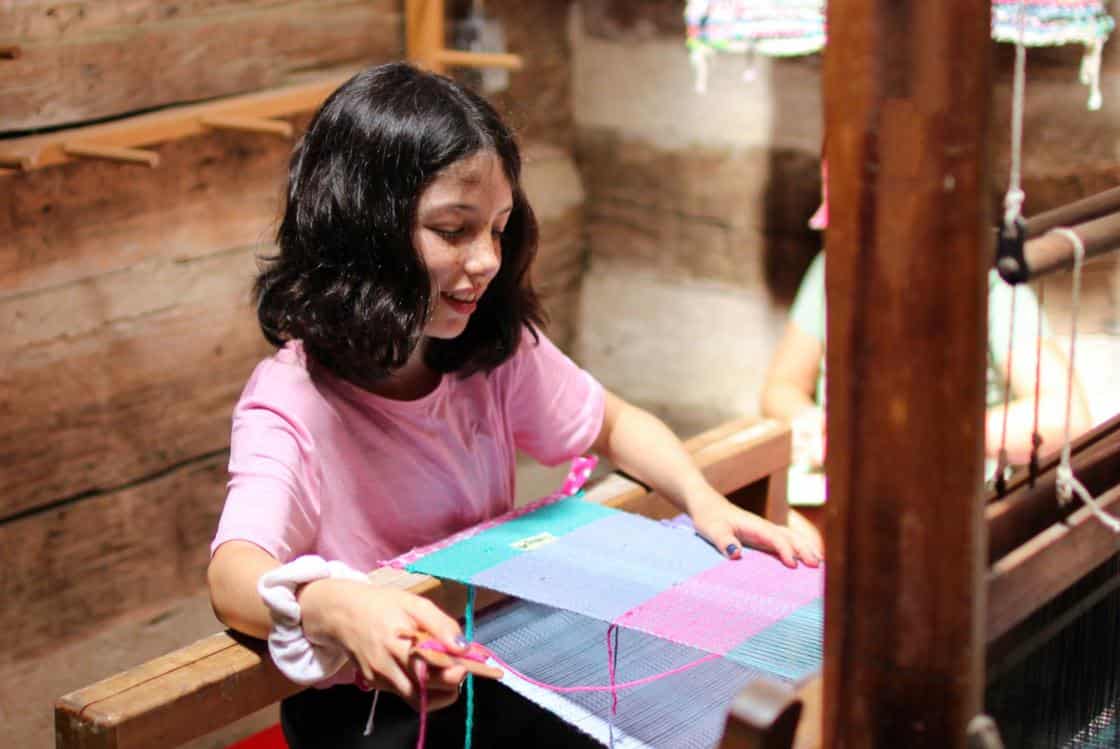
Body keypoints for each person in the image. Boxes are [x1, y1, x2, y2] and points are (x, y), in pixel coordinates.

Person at [206, 63, 824, 749]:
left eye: (498, 229)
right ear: (364, 231)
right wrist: (339, 606)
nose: (487, 260)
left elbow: (615, 422)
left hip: (488, 655)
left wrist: (701, 498)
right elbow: (234, 573)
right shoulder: (292, 399)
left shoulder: (489, 351)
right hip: (370, 709)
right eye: (454, 230)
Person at [762, 251, 1094, 526]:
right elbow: (781, 386)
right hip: (838, 502)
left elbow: (1065, 417)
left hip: (944, 511)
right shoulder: (834, 265)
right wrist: (816, 425)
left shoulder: (991, 283)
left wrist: (919, 441)